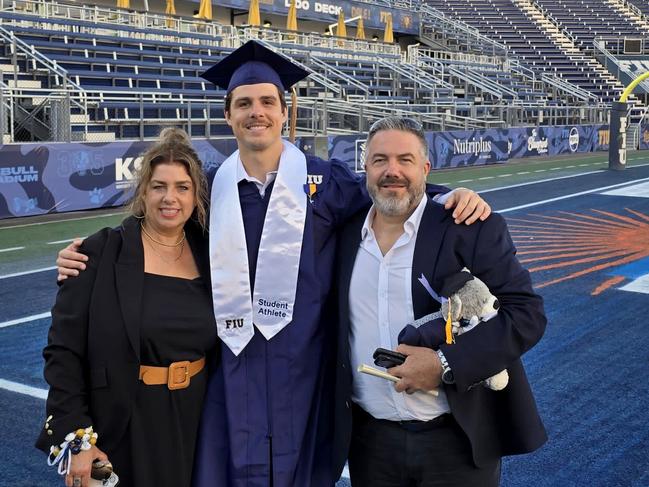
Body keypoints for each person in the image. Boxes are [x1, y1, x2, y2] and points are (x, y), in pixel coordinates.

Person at [53, 41, 492, 486]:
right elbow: (157, 223)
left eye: (267, 102)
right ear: (228, 116)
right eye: (244, 103)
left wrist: (446, 194)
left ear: (286, 113)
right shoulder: (207, 192)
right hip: (231, 378)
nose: (256, 112)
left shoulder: (326, 182)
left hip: (302, 378)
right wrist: (91, 250)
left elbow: (389, 194)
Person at [332, 117, 547, 486]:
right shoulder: (342, 232)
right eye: (380, 160)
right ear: (365, 167)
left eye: (406, 160)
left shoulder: (467, 226)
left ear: (426, 168)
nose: (392, 171)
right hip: (370, 443)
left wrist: (443, 363)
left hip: (456, 440)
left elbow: (527, 314)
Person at [36, 128, 217, 487]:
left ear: (197, 195)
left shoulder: (213, 255)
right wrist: (79, 440)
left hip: (194, 422)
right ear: (143, 191)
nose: (170, 198)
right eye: (159, 186)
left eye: (182, 187)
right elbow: (63, 352)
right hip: (122, 422)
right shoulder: (99, 252)